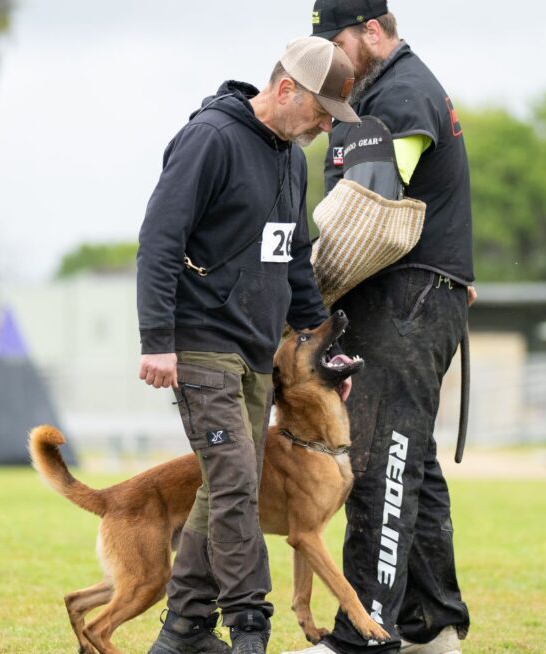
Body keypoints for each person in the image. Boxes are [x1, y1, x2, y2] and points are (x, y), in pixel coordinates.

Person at [136, 36, 360, 654]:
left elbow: (294, 264)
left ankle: (182, 630)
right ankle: (250, 629)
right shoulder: (210, 138)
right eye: (319, 112)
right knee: (236, 480)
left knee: (224, 484)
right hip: (200, 342)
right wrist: (157, 339)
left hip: (258, 351)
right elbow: (159, 238)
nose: (322, 127)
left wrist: (325, 355)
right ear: (285, 88)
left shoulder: (292, 158)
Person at [286, 2, 475, 653]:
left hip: (405, 300)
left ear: (372, 30)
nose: (331, 55)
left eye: (336, 39)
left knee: (379, 463)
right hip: (412, 298)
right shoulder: (376, 91)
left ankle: (362, 636)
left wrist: (298, 292)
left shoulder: (398, 93)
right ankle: (433, 628)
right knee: (409, 459)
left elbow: (369, 206)